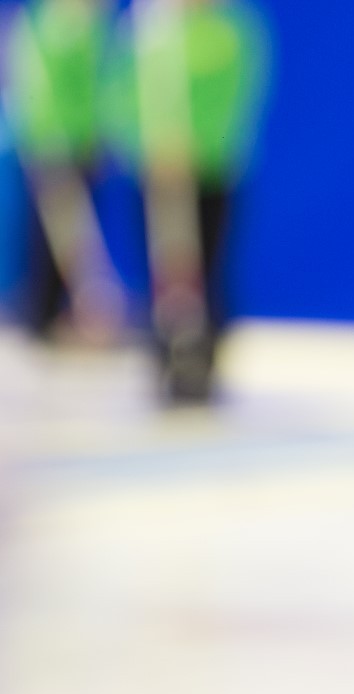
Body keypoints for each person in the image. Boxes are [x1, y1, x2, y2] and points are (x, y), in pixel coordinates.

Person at [102, 0, 269, 401]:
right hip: (155, 172)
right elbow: (120, 93)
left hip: (211, 171)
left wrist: (197, 146)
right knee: (161, 268)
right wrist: (145, 144)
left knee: (208, 267)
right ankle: (165, 359)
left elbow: (240, 94)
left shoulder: (230, 30)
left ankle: (204, 360)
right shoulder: (144, 29)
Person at [3, 0, 125, 344]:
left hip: (85, 146)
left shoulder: (95, 30)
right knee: (51, 235)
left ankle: (68, 316)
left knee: (77, 234)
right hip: (51, 146)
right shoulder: (45, 26)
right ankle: (42, 318)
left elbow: (103, 88)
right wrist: (47, 138)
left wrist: (102, 133)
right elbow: (34, 87)